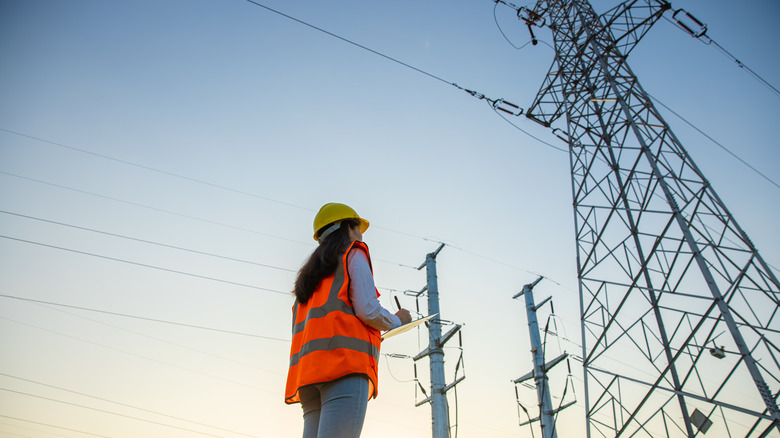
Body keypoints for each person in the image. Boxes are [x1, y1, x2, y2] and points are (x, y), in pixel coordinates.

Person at [285, 202, 412, 438]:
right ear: (349, 228)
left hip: (308, 377)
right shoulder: (353, 253)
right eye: (358, 228)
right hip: (343, 368)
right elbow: (368, 310)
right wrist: (398, 320)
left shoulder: (307, 281)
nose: (361, 235)